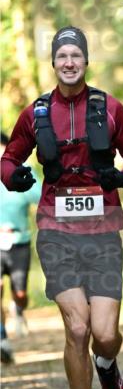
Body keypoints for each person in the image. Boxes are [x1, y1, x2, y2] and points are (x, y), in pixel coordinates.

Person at [0, 26, 123, 389]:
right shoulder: (36, 113)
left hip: (103, 233)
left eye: (76, 56)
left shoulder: (109, 107)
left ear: (86, 61)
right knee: (77, 327)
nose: (69, 62)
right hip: (55, 230)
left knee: (104, 334)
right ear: (53, 62)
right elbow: (8, 160)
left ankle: (107, 365)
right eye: (62, 55)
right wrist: (15, 176)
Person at [0, 131, 42, 362]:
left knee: (20, 293)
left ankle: (18, 308)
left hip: (19, 243)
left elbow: (39, 196)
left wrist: (24, 175)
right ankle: (2, 337)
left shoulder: (20, 169)